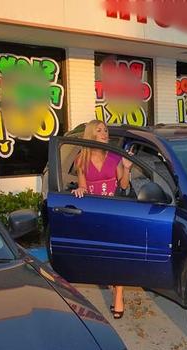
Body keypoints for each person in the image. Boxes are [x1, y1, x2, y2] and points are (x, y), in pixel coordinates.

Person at [72, 119, 131, 319]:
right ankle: (113, 282)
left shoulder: (114, 156)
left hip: (113, 211)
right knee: (102, 255)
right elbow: (83, 188)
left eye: (105, 130)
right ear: (91, 135)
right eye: (100, 130)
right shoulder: (81, 159)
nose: (105, 133)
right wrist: (80, 189)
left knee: (117, 253)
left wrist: (127, 167)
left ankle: (119, 293)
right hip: (94, 213)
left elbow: (123, 186)